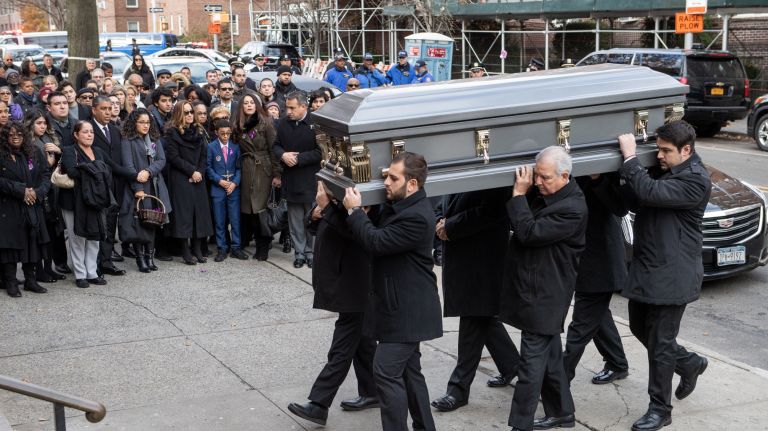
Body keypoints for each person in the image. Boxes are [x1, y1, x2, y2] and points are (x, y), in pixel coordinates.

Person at [617, 121, 711, 431]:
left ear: (687, 150)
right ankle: (689, 363)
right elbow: (633, 198)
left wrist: (630, 158)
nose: (659, 156)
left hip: (673, 275)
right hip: (646, 268)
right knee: (640, 329)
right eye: (657, 149)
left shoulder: (695, 180)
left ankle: (660, 409)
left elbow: (648, 191)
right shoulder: (665, 170)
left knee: (660, 343)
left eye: (666, 151)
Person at [341, 151, 443, 431]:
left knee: (385, 373)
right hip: (402, 307)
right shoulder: (401, 206)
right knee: (411, 374)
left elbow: (376, 241)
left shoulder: (417, 217)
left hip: (409, 311)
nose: (386, 182)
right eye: (386, 175)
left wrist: (354, 212)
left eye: (392, 178)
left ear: (412, 184)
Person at [502, 146, 587, 431]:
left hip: (546, 296)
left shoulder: (572, 208)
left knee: (530, 366)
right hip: (536, 289)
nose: (537, 182)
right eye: (536, 175)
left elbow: (528, 233)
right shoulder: (550, 194)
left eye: (545, 177)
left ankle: (520, 425)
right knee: (550, 359)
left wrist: (518, 195)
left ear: (565, 176)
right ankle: (562, 412)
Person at [287, 181, 378, 426]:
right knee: (362, 340)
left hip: (355, 280)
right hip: (343, 277)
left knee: (344, 343)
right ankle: (372, 391)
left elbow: (357, 231)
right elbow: (323, 223)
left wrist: (327, 208)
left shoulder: (369, 195)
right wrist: (317, 213)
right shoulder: (343, 189)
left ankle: (319, 403)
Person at [430, 187, 522, 412]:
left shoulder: (494, 173)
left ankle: (458, 390)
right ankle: (512, 365)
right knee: (482, 315)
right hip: (463, 252)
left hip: (483, 257)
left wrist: (450, 225)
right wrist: (440, 220)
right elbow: (446, 198)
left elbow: (493, 210)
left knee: (473, 317)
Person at [562, 173, 630, 385]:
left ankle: (559, 378)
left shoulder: (604, 172)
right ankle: (617, 362)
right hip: (585, 258)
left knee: (582, 323)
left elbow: (620, 208)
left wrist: (597, 179)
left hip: (600, 260)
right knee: (596, 316)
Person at [59, 121, 116, 288]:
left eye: (91, 132)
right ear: (76, 135)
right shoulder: (70, 151)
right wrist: (96, 169)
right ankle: (80, 274)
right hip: (73, 201)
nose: (89, 135)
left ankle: (92, 272)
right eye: (85, 132)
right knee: (77, 237)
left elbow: (108, 170)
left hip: (96, 200)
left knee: (94, 237)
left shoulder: (98, 151)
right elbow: (72, 171)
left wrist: (89, 169)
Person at [0, 121, 51, 298]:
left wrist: (37, 192)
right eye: (11, 134)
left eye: (19, 134)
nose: (16, 137)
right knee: (11, 246)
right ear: (5, 137)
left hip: (32, 204)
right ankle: (11, 282)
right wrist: (20, 190)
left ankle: (30, 280)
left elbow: (46, 175)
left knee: (33, 243)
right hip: (9, 206)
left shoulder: (35, 152)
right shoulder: (1, 154)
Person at [119, 108, 172, 273]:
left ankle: (150, 256)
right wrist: (138, 187)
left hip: (155, 185)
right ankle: (140, 259)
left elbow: (162, 160)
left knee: (153, 221)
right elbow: (128, 166)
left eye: (148, 122)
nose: (145, 125)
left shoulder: (154, 139)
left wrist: (149, 171)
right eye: (141, 122)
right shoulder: (127, 140)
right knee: (140, 223)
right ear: (134, 123)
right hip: (138, 187)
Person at [273, 91, 321, 268]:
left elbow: (321, 152)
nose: (288, 111)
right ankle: (299, 253)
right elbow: (276, 146)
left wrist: (299, 159)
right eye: (287, 107)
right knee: (295, 220)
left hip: (310, 179)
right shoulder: (283, 123)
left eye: (292, 108)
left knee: (311, 217)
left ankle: (311, 252)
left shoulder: (316, 123)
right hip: (291, 178)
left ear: (303, 107)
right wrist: (283, 155)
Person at [163, 101, 214, 265]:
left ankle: (197, 248)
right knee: (184, 215)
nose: (190, 115)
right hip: (181, 178)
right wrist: (191, 171)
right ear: (179, 114)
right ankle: (185, 250)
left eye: (191, 112)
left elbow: (204, 156)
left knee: (199, 213)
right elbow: (173, 157)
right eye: (186, 112)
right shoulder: (172, 133)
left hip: (198, 177)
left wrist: (199, 172)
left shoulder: (199, 131)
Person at [90, 95, 135, 276]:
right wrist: (133, 174)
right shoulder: (89, 129)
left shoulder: (116, 130)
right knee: (99, 225)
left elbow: (120, 157)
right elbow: (106, 161)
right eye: (103, 109)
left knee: (111, 223)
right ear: (94, 110)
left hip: (116, 184)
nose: (108, 112)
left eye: (110, 109)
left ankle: (107, 262)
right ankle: (94, 264)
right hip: (98, 185)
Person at [233, 92, 280, 261]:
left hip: (264, 168)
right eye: (245, 103)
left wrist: (277, 173)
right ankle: (247, 239)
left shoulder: (266, 122)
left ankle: (264, 244)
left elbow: (274, 148)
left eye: (252, 102)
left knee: (261, 209)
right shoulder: (238, 125)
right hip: (246, 169)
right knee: (248, 209)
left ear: (257, 104)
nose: (249, 105)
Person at [25, 109, 68, 284]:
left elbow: (63, 163)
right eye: (38, 123)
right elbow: (28, 170)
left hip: (53, 192)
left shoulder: (50, 140)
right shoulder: (27, 143)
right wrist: (47, 163)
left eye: (44, 123)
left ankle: (49, 267)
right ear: (31, 124)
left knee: (52, 232)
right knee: (38, 234)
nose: (42, 126)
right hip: (38, 192)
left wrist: (58, 152)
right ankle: (39, 270)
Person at [206, 119, 247, 262]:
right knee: (219, 220)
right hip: (218, 189)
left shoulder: (235, 147)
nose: (225, 136)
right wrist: (219, 180)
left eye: (228, 133)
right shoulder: (211, 147)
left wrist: (234, 183)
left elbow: (239, 168)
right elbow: (208, 168)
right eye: (222, 134)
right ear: (216, 133)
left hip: (233, 190)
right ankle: (222, 248)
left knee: (235, 220)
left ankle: (236, 247)